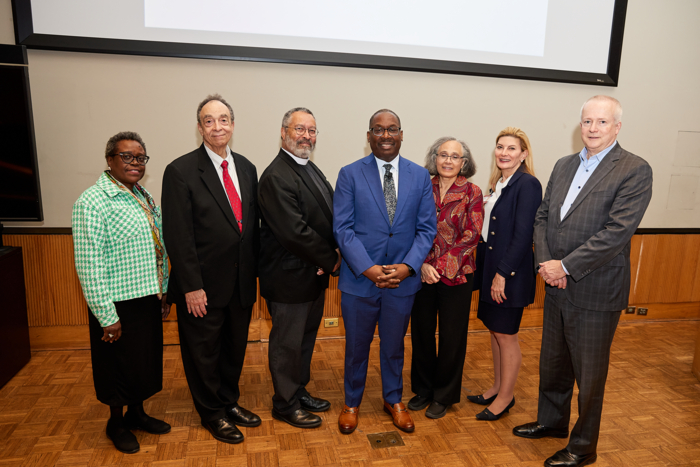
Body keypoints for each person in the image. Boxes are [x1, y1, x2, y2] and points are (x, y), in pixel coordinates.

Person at [513, 96, 652, 467]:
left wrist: (566, 266)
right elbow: (543, 217)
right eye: (587, 122)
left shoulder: (634, 169)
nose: (593, 129)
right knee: (553, 362)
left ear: (617, 127)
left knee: (589, 376)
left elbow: (616, 232)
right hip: (555, 282)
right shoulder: (563, 165)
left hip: (595, 288)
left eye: (602, 122)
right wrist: (546, 262)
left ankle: (583, 446)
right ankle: (552, 422)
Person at [161, 94, 261, 445]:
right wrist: (190, 285)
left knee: (234, 348)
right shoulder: (180, 170)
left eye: (223, 119)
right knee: (203, 353)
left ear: (232, 125)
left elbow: (250, 226)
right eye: (209, 120)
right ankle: (211, 413)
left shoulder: (247, 168)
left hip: (241, 282)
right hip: (202, 286)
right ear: (200, 127)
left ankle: (229, 402)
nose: (217, 126)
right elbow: (177, 234)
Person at [333, 109, 437, 434]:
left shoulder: (420, 176)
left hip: (401, 283)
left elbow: (426, 229)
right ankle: (352, 402)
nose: (386, 135)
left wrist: (407, 268)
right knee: (356, 348)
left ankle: (394, 399)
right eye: (378, 130)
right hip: (359, 280)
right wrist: (369, 269)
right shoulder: (350, 174)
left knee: (394, 346)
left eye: (392, 129)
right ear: (369, 136)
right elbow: (343, 229)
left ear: (402, 134)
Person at [72, 131, 171, 454]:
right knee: (116, 366)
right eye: (127, 156)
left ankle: (137, 414)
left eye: (140, 157)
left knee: (142, 362)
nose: (135, 163)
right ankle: (116, 422)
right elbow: (89, 265)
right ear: (110, 160)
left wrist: (163, 291)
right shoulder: (92, 202)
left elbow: (156, 247)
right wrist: (106, 316)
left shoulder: (141, 194)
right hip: (116, 304)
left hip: (146, 296)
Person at [258, 107, 341, 428]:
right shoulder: (276, 176)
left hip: (311, 275)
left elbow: (326, 217)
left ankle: (298, 389)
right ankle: (284, 402)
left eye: (312, 130)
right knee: (287, 344)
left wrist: (334, 250)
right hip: (289, 277)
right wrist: (331, 259)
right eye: (299, 129)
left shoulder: (309, 168)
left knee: (304, 340)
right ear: (283, 132)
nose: (306, 136)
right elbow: (294, 232)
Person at [468, 127, 542, 421]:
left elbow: (524, 235)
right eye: (500, 147)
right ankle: (497, 387)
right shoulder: (500, 183)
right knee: (494, 330)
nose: (504, 153)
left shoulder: (527, 184)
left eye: (511, 148)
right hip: (490, 268)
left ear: (524, 154)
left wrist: (502, 275)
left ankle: (506, 397)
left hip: (509, 273)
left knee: (507, 334)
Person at [408, 137, 483, 419]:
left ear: (464, 162)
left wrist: (438, 264)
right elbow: (410, 228)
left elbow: (471, 235)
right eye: (443, 155)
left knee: (452, 337)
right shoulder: (421, 187)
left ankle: (444, 395)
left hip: (458, 276)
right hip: (422, 273)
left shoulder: (472, 191)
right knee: (422, 333)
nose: (448, 161)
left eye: (455, 156)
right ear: (434, 158)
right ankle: (423, 390)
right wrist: (424, 265)